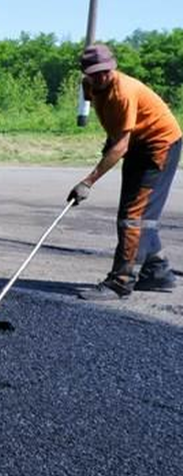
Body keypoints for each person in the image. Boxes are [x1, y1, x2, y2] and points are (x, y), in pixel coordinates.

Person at [68, 43, 182, 300]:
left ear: (114, 67)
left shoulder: (124, 91)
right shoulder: (90, 87)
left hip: (159, 145)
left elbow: (122, 145)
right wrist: (111, 136)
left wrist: (88, 182)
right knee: (138, 213)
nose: (101, 77)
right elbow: (107, 117)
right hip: (137, 144)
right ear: (85, 73)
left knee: (133, 216)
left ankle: (120, 282)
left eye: (105, 71)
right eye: (94, 73)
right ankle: (157, 271)